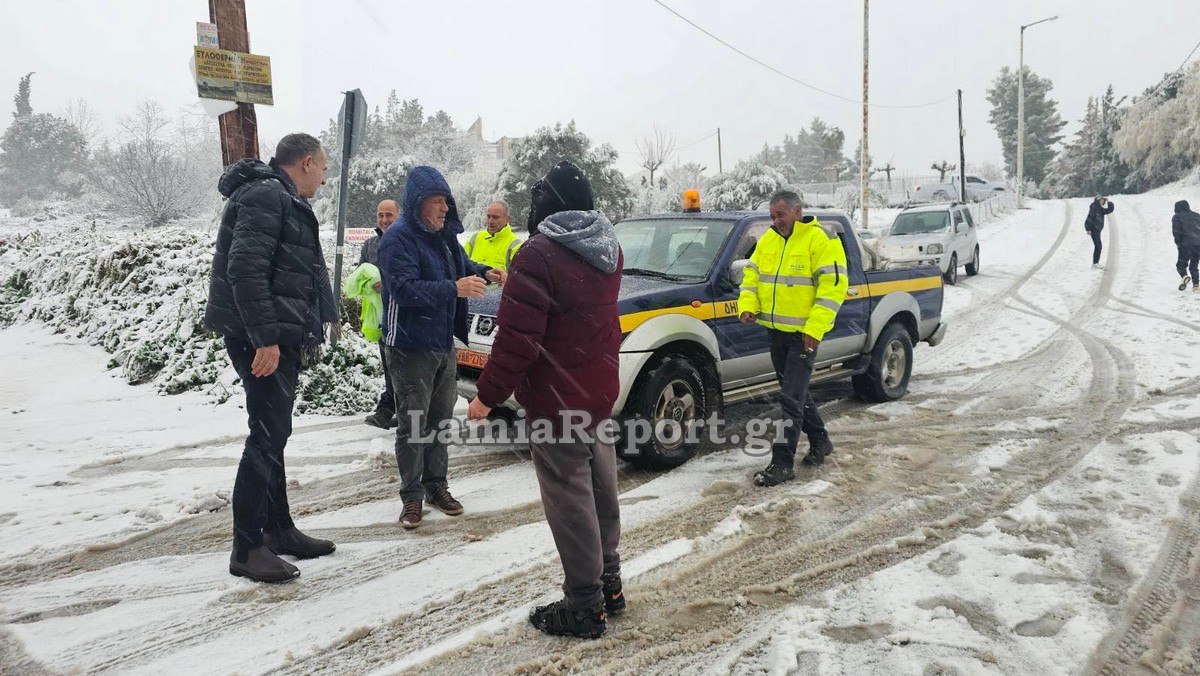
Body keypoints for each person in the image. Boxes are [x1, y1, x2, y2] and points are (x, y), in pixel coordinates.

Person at [466, 161, 624, 640]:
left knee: (570, 499)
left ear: (546, 205)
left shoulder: (539, 255)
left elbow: (518, 341)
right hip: (596, 391)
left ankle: (584, 605)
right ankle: (609, 583)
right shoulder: (608, 248)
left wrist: (486, 396)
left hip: (556, 401)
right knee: (600, 488)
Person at [203, 133, 338, 583]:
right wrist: (265, 338)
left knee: (273, 431)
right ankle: (247, 547)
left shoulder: (275, 194)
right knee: (265, 436)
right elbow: (245, 269)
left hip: (274, 335)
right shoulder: (266, 194)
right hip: (260, 338)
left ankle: (278, 529)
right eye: (322, 167)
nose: (323, 176)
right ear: (304, 163)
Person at [378, 166, 501, 529]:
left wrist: (484, 271)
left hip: (443, 343)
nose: (445, 208)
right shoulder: (396, 240)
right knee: (413, 424)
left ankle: (437, 487)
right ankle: (412, 497)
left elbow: (461, 266)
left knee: (440, 421)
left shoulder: (444, 236)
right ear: (418, 204)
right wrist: (455, 289)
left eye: (447, 201)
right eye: (437, 201)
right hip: (409, 346)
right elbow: (403, 289)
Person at [739, 190, 848, 487]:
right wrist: (747, 305)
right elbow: (751, 275)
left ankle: (782, 463)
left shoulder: (820, 240)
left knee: (790, 398)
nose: (776, 221)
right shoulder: (768, 240)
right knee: (795, 393)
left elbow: (833, 288)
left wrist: (815, 328)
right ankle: (821, 441)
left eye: (781, 215)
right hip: (776, 332)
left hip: (804, 335)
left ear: (797, 211)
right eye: (773, 216)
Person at [360, 199, 401, 429]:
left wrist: (385, 284)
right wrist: (367, 282)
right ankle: (389, 409)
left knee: (401, 367)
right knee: (388, 365)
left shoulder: (408, 242)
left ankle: (391, 410)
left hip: (404, 317)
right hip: (381, 317)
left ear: (399, 215)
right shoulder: (370, 245)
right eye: (380, 215)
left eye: (389, 215)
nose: (384, 220)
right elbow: (358, 277)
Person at [463, 200, 522, 273]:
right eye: (488, 216)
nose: (490, 221)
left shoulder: (515, 245)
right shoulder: (475, 238)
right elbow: (460, 263)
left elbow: (518, 278)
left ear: (507, 219)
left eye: (495, 217)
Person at [1173, 199, 1200, 292]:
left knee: (1181, 265)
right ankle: (1196, 285)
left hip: (1186, 244)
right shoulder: (1197, 216)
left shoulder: (1177, 217)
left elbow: (1176, 231)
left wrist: (1178, 243)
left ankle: (1184, 277)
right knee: (1194, 266)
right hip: (1198, 244)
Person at [1085, 195, 1115, 269]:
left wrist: (1109, 201)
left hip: (1097, 230)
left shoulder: (1100, 209)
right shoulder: (1094, 208)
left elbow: (1109, 210)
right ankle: (1095, 263)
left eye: (1103, 200)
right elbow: (1089, 219)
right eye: (1101, 200)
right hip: (1094, 230)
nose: (1102, 202)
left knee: (1098, 246)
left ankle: (1095, 263)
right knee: (1098, 246)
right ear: (1098, 201)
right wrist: (1088, 229)